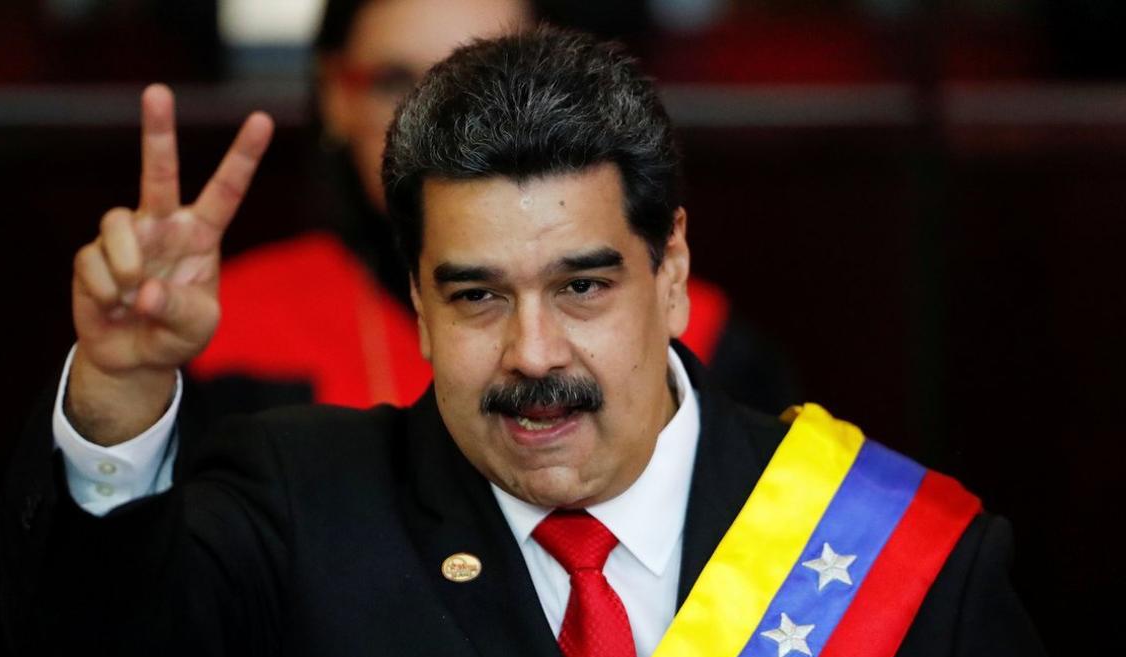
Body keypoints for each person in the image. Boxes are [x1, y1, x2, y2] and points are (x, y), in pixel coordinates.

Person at [1, 28, 1077, 657]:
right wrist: (122, 386)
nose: (532, 354)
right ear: (418, 303)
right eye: (476, 296)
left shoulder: (906, 565)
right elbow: (104, 630)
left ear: (672, 271)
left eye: (582, 287)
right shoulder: (302, 510)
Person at [189, 0, 795, 418]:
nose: (436, 121)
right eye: (395, 80)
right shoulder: (223, 328)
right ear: (332, 94)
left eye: (482, 78)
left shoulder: (693, 337)